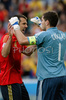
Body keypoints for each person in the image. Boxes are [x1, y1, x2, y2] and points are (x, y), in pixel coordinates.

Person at [8, 11, 66, 100]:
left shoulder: (43, 35)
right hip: (62, 77)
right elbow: (49, 38)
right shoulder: (63, 35)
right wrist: (42, 26)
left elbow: (22, 41)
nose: (40, 22)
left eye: (41, 20)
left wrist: (15, 25)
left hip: (47, 78)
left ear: (47, 22)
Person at [0, 14, 36, 100]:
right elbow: (4, 54)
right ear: (16, 24)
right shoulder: (6, 37)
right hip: (8, 81)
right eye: (23, 24)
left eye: (26, 24)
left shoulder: (19, 39)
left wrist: (38, 43)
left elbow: (28, 52)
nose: (26, 26)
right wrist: (10, 37)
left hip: (18, 81)